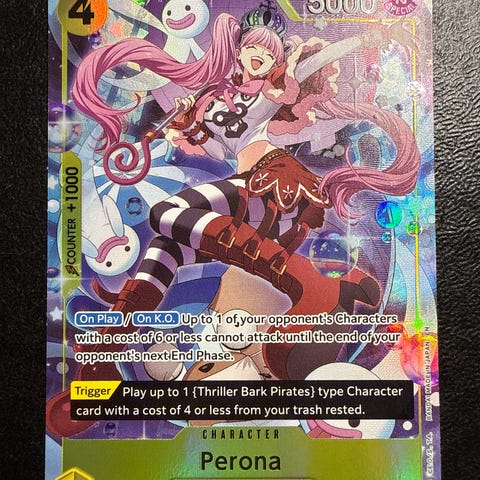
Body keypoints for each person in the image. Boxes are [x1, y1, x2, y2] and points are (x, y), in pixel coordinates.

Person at [46, 1, 420, 436]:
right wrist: (187, 119)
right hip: (245, 205)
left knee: (166, 214)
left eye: (268, 52)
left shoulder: (276, 95)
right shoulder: (217, 95)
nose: (258, 57)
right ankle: (110, 349)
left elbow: (321, 61)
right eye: (252, 49)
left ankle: (305, 281)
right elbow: (204, 140)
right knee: (168, 245)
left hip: (272, 185)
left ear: (278, 60)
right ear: (238, 51)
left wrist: (372, 36)